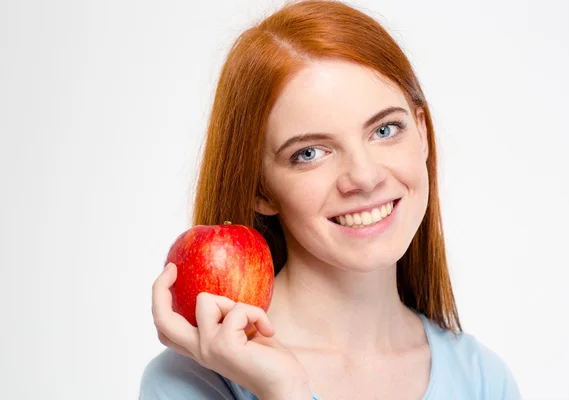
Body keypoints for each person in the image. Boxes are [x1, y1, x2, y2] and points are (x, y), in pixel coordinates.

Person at [140, 0, 521, 399]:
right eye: (309, 153)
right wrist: (283, 391)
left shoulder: (482, 381)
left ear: (422, 133)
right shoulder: (195, 381)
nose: (365, 176)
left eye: (386, 129)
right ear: (260, 188)